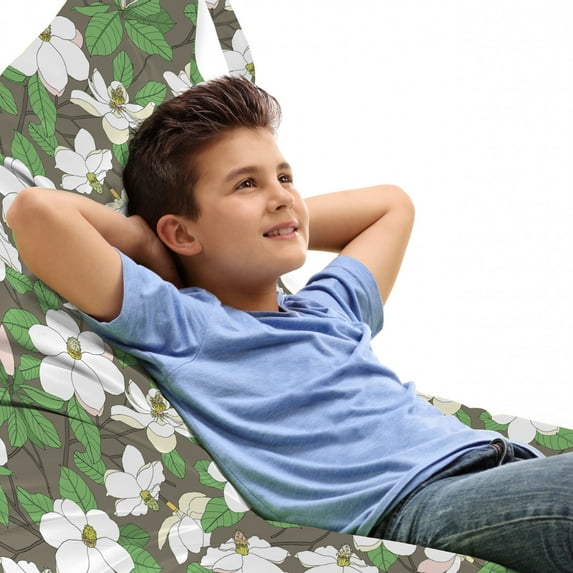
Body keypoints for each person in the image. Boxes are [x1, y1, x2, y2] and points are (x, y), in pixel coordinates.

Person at [7, 75, 572, 572]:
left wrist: (277, 217)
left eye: (285, 177)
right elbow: (35, 213)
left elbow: (391, 205)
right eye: (246, 184)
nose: (281, 196)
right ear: (180, 232)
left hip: (499, 463)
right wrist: (150, 245)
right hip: (416, 504)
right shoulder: (189, 327)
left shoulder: (329, 308)